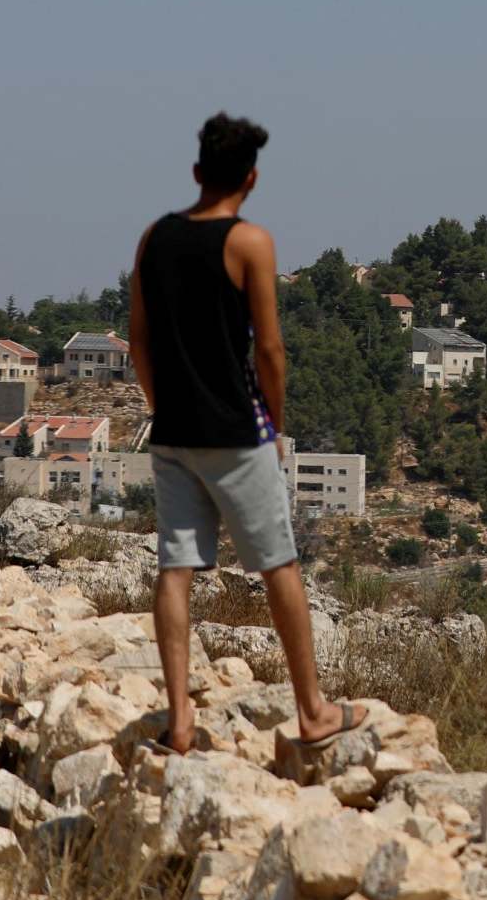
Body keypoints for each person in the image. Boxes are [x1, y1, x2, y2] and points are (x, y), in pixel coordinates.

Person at [127, 112, 361, 758]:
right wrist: (275, 425)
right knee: (277, 564)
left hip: (172, 431)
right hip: (235, 430)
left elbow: (138, 340)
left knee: (176, 568)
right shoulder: (250, 242)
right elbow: (272, 350)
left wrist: (159, 403)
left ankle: (179, 720)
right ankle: (313, 711)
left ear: (197, 171)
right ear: (251, 178)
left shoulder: (154, 237)